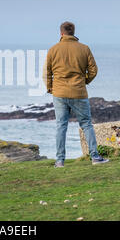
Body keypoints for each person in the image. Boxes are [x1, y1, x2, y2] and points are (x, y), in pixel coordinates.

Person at [45, 21, 109, 167]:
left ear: (61, 33)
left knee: (61, 126)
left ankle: (60, 160)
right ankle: (95, 157)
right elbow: (93, 70)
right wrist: (84, 81)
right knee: (86, 124)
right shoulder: (84, 49)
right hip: (79, 92)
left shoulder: (53, 50)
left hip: (59, 93)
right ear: (73, 32)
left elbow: (47, 73)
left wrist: (50, 88)